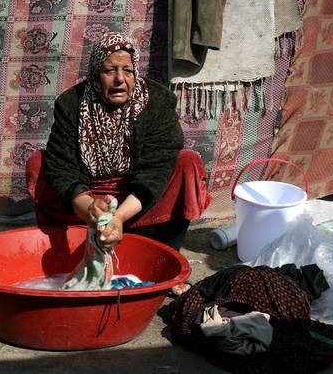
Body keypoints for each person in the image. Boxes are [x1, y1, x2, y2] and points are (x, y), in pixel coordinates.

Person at [26, 32, 210, 295]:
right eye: (109, 70)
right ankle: (59, 254)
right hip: (88, 198)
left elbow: (157, 168)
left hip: (137, 199)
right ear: (95, 72)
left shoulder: (156, 101)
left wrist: (120, 216)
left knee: (187, 163)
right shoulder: (71, 104)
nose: (119, 80)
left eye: (127, 70)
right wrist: (91, 208)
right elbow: (63, 167)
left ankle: (166, 261)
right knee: (38, 163)